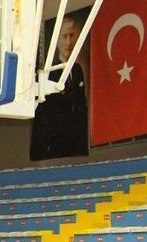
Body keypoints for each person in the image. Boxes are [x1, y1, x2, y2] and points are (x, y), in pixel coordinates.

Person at [31, 15, 89, 160]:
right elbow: (44, 115)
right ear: (57, 40)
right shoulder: (47, 73)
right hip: (55, 145)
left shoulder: (77, 70)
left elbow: (81, 106)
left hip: (76, 143)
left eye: (72, 35)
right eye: (64, 36)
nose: (69, 42)